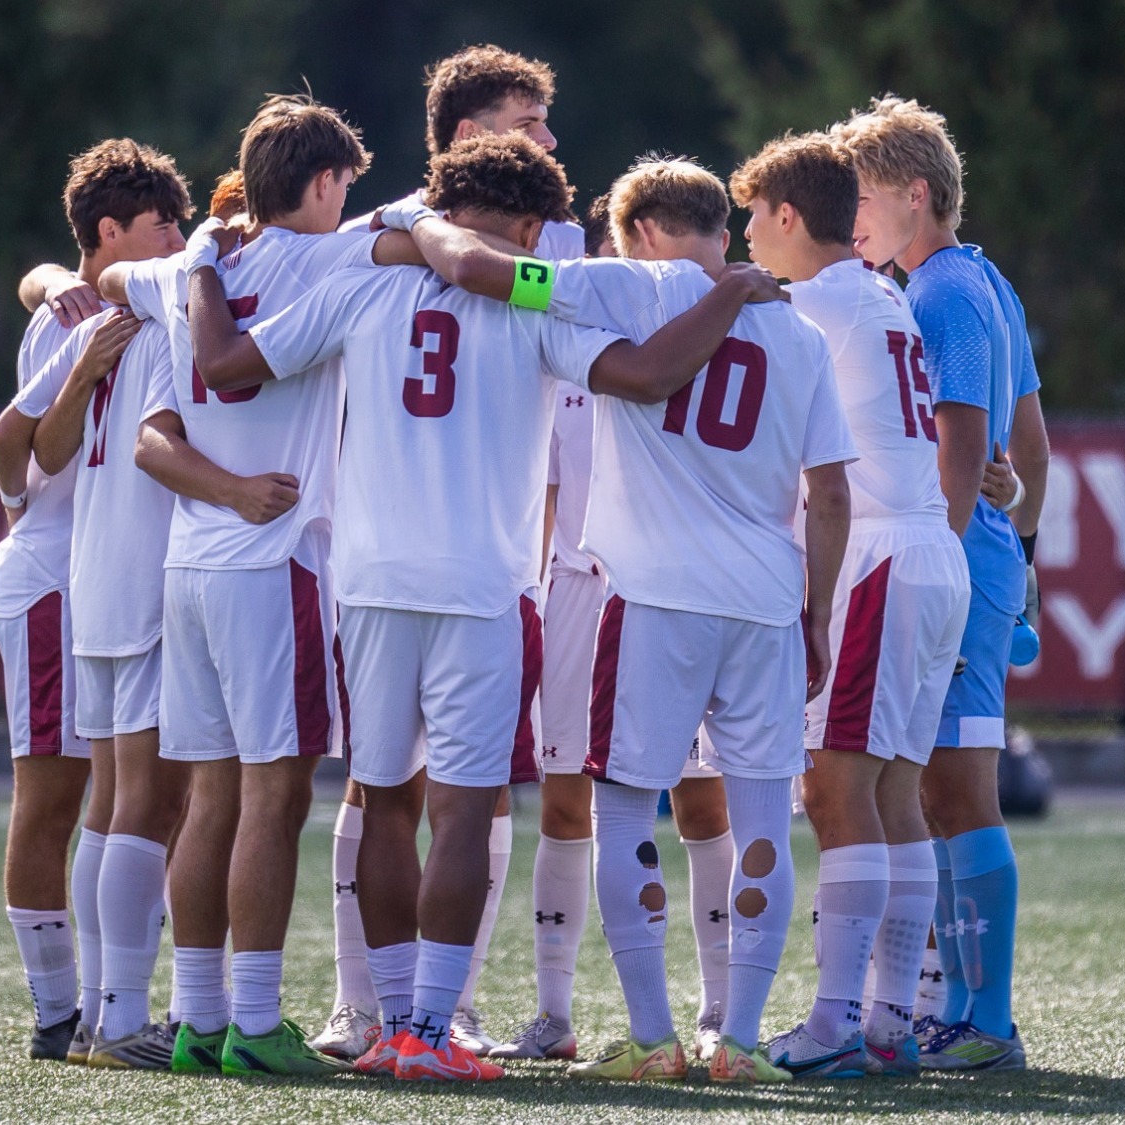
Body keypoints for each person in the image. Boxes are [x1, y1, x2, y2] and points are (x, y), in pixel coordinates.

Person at [190, 134, 779, 1081]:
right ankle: (428, 1028)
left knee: (382, 801)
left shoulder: (363, 283)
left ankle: (391, 1029)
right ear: (519, 220)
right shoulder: (529, 300)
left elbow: (223, 368)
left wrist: (200, 268)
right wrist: (728, 294)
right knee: (464, 813)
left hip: (372, 583)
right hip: (483, 590)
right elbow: (650, 374)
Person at [391, 155, 855, 1082]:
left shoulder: (618, 282)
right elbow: (832, 494)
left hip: (653, 597)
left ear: (637, 231)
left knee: (622, 810)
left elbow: (485, 274)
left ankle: (653, 1039)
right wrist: (816, 613)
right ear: (718, 233)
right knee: (763, 815)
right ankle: (744, 1038)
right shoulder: (796, 330)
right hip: (765, 598)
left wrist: (405, 232)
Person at [121, 96, 410, 1077]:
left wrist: (190, 250)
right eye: (344, 186)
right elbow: (422, 233)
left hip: (188, 565)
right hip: (274, 560)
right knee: (273, 798)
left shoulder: (185, 273)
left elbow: (111, 295)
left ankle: (197, 1017)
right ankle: (252, 1020)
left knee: (207, 798)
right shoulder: (331, 256)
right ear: (325, 183)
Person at [315, 43, 584, 1059]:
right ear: (469, 133)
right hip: (456, 545)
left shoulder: (399, 235)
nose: (549, 141)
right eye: (527, 121)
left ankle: (438, 1002)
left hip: (487, 542)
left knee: (451, 786)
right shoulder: (398, 232)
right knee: (420, 789)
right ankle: (377, 1005)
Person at [730, 133, 970, 1079]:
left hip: (876, 553)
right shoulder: (880, 292)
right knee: (893, 793)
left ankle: (837, 1019)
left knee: (835, 790)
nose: (746, 235)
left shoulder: (809, 299)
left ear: (790, 217)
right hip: (927, 550)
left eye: (753, 217)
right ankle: (885, 1017)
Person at [492, 192, 736, 1064]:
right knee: (566, 797)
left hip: (677, 589)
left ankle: (714, 1010)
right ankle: (554, 1013)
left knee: (702, 796)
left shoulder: (715, 333)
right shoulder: (566, 343)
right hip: (576, 590)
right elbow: (550, 491)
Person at [835, 96, 1049, 1072]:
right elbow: (1029, 447)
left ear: (914, 194)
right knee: (933, 792)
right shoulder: (984, 282)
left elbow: (966, 438)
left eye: (863, 197)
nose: (853, 220)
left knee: (957, 794)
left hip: (952, 563)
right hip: (978, 558)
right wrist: (1016, 545)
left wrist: (946, 556)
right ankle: (950, 1007)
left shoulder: (940, 294)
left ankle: (983, 1018)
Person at [0, 138, 187, 1064]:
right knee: (58, 799)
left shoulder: (103, 298)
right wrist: (22, 511)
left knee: (124, 797)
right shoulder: (83, 317)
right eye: (160, 224)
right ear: (110, 232)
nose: (178, 238)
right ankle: (61, 1008)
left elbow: (43, 279)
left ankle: (106, 1007)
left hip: (99, 571)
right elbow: (14, 441)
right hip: (58, 574)